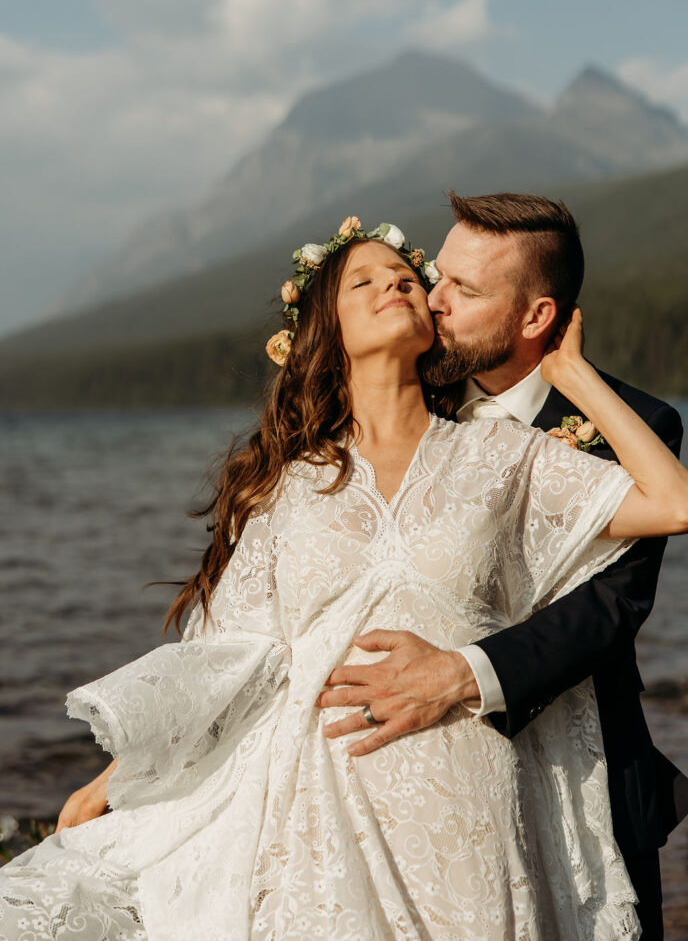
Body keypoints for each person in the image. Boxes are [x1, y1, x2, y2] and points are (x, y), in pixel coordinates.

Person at [2, 216, 688, 940]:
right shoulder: (289, 487)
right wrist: (126, 774)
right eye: (369, 281)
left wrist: (569, 372)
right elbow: (238, 655)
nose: (409, 286)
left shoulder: (502, 453)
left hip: (472, 787)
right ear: (326, 330)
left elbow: (672, 508)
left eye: (405, 278)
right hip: (324, 796)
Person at [317, 193, 688, 940]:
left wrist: (464, 674)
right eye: (437, 275)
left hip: (584, 766)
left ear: (535, 318)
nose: (433, 301)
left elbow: (606, 611)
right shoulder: (408, 401)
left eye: (466, 291)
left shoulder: (638, 425)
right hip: (423, 773)